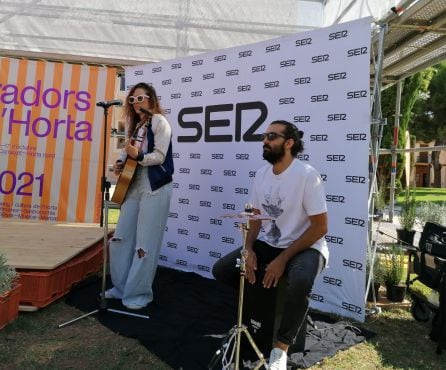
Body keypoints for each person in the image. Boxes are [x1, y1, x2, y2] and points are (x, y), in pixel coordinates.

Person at [212, 120, 328, 370]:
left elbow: (320, 228)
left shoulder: (307, 175)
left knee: (300, 281)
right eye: (265, 136)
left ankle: (281, 348)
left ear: (289, 143)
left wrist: (282, 260)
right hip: (270, 243)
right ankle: (265, 310)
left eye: (272, 136)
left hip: (307, 246)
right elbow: (254, 218)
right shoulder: (261, 174)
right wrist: (249, 249)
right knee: (222, 270)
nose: (265, 141)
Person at [107, 82, 174, 310]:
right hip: (132, 183)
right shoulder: (136, 126)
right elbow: (130, 157)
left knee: (145, 244)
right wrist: (120, 164)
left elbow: (160, 156)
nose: (136, 103)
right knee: (120, 238)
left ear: (151, 99)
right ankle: (120, 287)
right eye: (132, 100)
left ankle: (138, 294)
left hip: (154, 185)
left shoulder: (159, 121)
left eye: (141, 98)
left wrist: (138, 156)